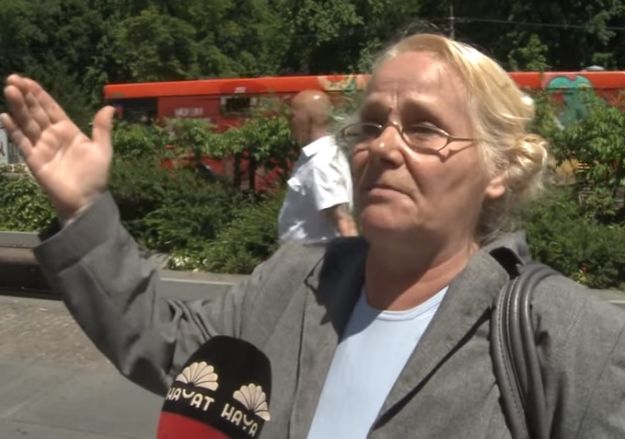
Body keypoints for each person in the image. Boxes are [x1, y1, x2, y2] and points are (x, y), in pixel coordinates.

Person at [2, 33, 625, 438]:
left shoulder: (567, 336)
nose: (383, 147)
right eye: (372, 125)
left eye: (424, 129)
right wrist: (84, 209)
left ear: (499, 170)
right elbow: (161, 343)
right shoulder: (294, 280)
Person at [278, 89, 358, 241]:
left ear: (307, 119)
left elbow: (343, 220)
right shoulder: (319, 157)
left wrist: (354, 254)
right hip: (302, 252)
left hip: (313, 253)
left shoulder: (321, 162)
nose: (290, 121)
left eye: (293, 116)